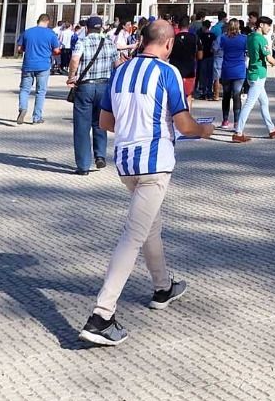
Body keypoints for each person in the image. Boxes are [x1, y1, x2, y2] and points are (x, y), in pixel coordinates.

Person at [77, 20, 214, 347]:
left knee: (149, 226)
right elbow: (183, 122)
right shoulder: (169, 74)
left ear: (142, 40)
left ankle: (163, 286)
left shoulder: (121, 71)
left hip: (126, 163)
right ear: (168, 45)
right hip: (154, 164)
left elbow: (105, 122)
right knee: (134, 234)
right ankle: (102, 314)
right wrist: (203, 130)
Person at [68, 17, 119, 174]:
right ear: (101, 28)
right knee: (100, 123)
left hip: (86, 87)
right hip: (104, 86)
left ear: (87, 28)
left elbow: (75, 60)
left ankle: (83, 166)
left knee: (82, 126)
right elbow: (116, 65)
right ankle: (100, 156)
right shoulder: (110, 43)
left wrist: (71, 76)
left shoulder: (82, 42)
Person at [232, 17, 275, 142]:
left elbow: (250, 53)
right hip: (258, 75)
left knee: (264, 102)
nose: (269, 28)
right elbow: (269, 58)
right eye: (268, 26)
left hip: (252, 73)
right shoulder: (262, 39)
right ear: (261, 25)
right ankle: (238, 133)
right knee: (249, 104)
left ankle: (271, 129)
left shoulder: (249, 37)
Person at [13, 13, 59, 125]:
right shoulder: (51, 34)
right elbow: (57, 50)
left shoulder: (27, 32)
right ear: (47, 22)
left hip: (28, 65)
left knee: (24, 89)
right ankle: (36, 117)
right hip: (43, 66)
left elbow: (19, 48)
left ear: (38, 21)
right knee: (40, 92)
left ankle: (23, 108)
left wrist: (27, 49)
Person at [216, 19, 248, 127]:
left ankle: (225, 120)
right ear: (239, 27)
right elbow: (247, 51)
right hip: (239, 70)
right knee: (236, 95)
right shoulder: (244, 39)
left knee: (226, 96)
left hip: (227, 70)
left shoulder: (223, 38)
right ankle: (236, 122)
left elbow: (216, 49)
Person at [168, 20, 199, 103]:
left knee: (174, 94)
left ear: (179, 26)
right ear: (188, 26)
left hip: (175, 69)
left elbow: (168, 53)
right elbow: (200, 55)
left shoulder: (173, 39)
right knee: (188, 95)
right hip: (189, 69)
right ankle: (187, 113)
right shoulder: (194, 38)